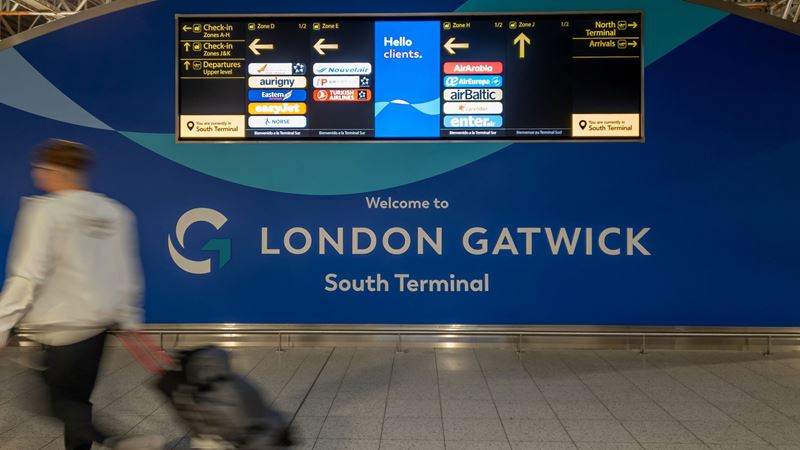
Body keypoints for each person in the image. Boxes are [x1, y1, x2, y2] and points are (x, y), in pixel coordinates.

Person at [0, 139, 164, 450]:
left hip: (59, 327)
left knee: (56, 403)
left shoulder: (45, 212)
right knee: (77, 401)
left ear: (51, 170)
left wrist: (2, 323)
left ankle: (115, 440)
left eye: (39, 168)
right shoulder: (115, 212)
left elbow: (27, 275)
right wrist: (130, 319)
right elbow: (127, 272)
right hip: (98, 327)